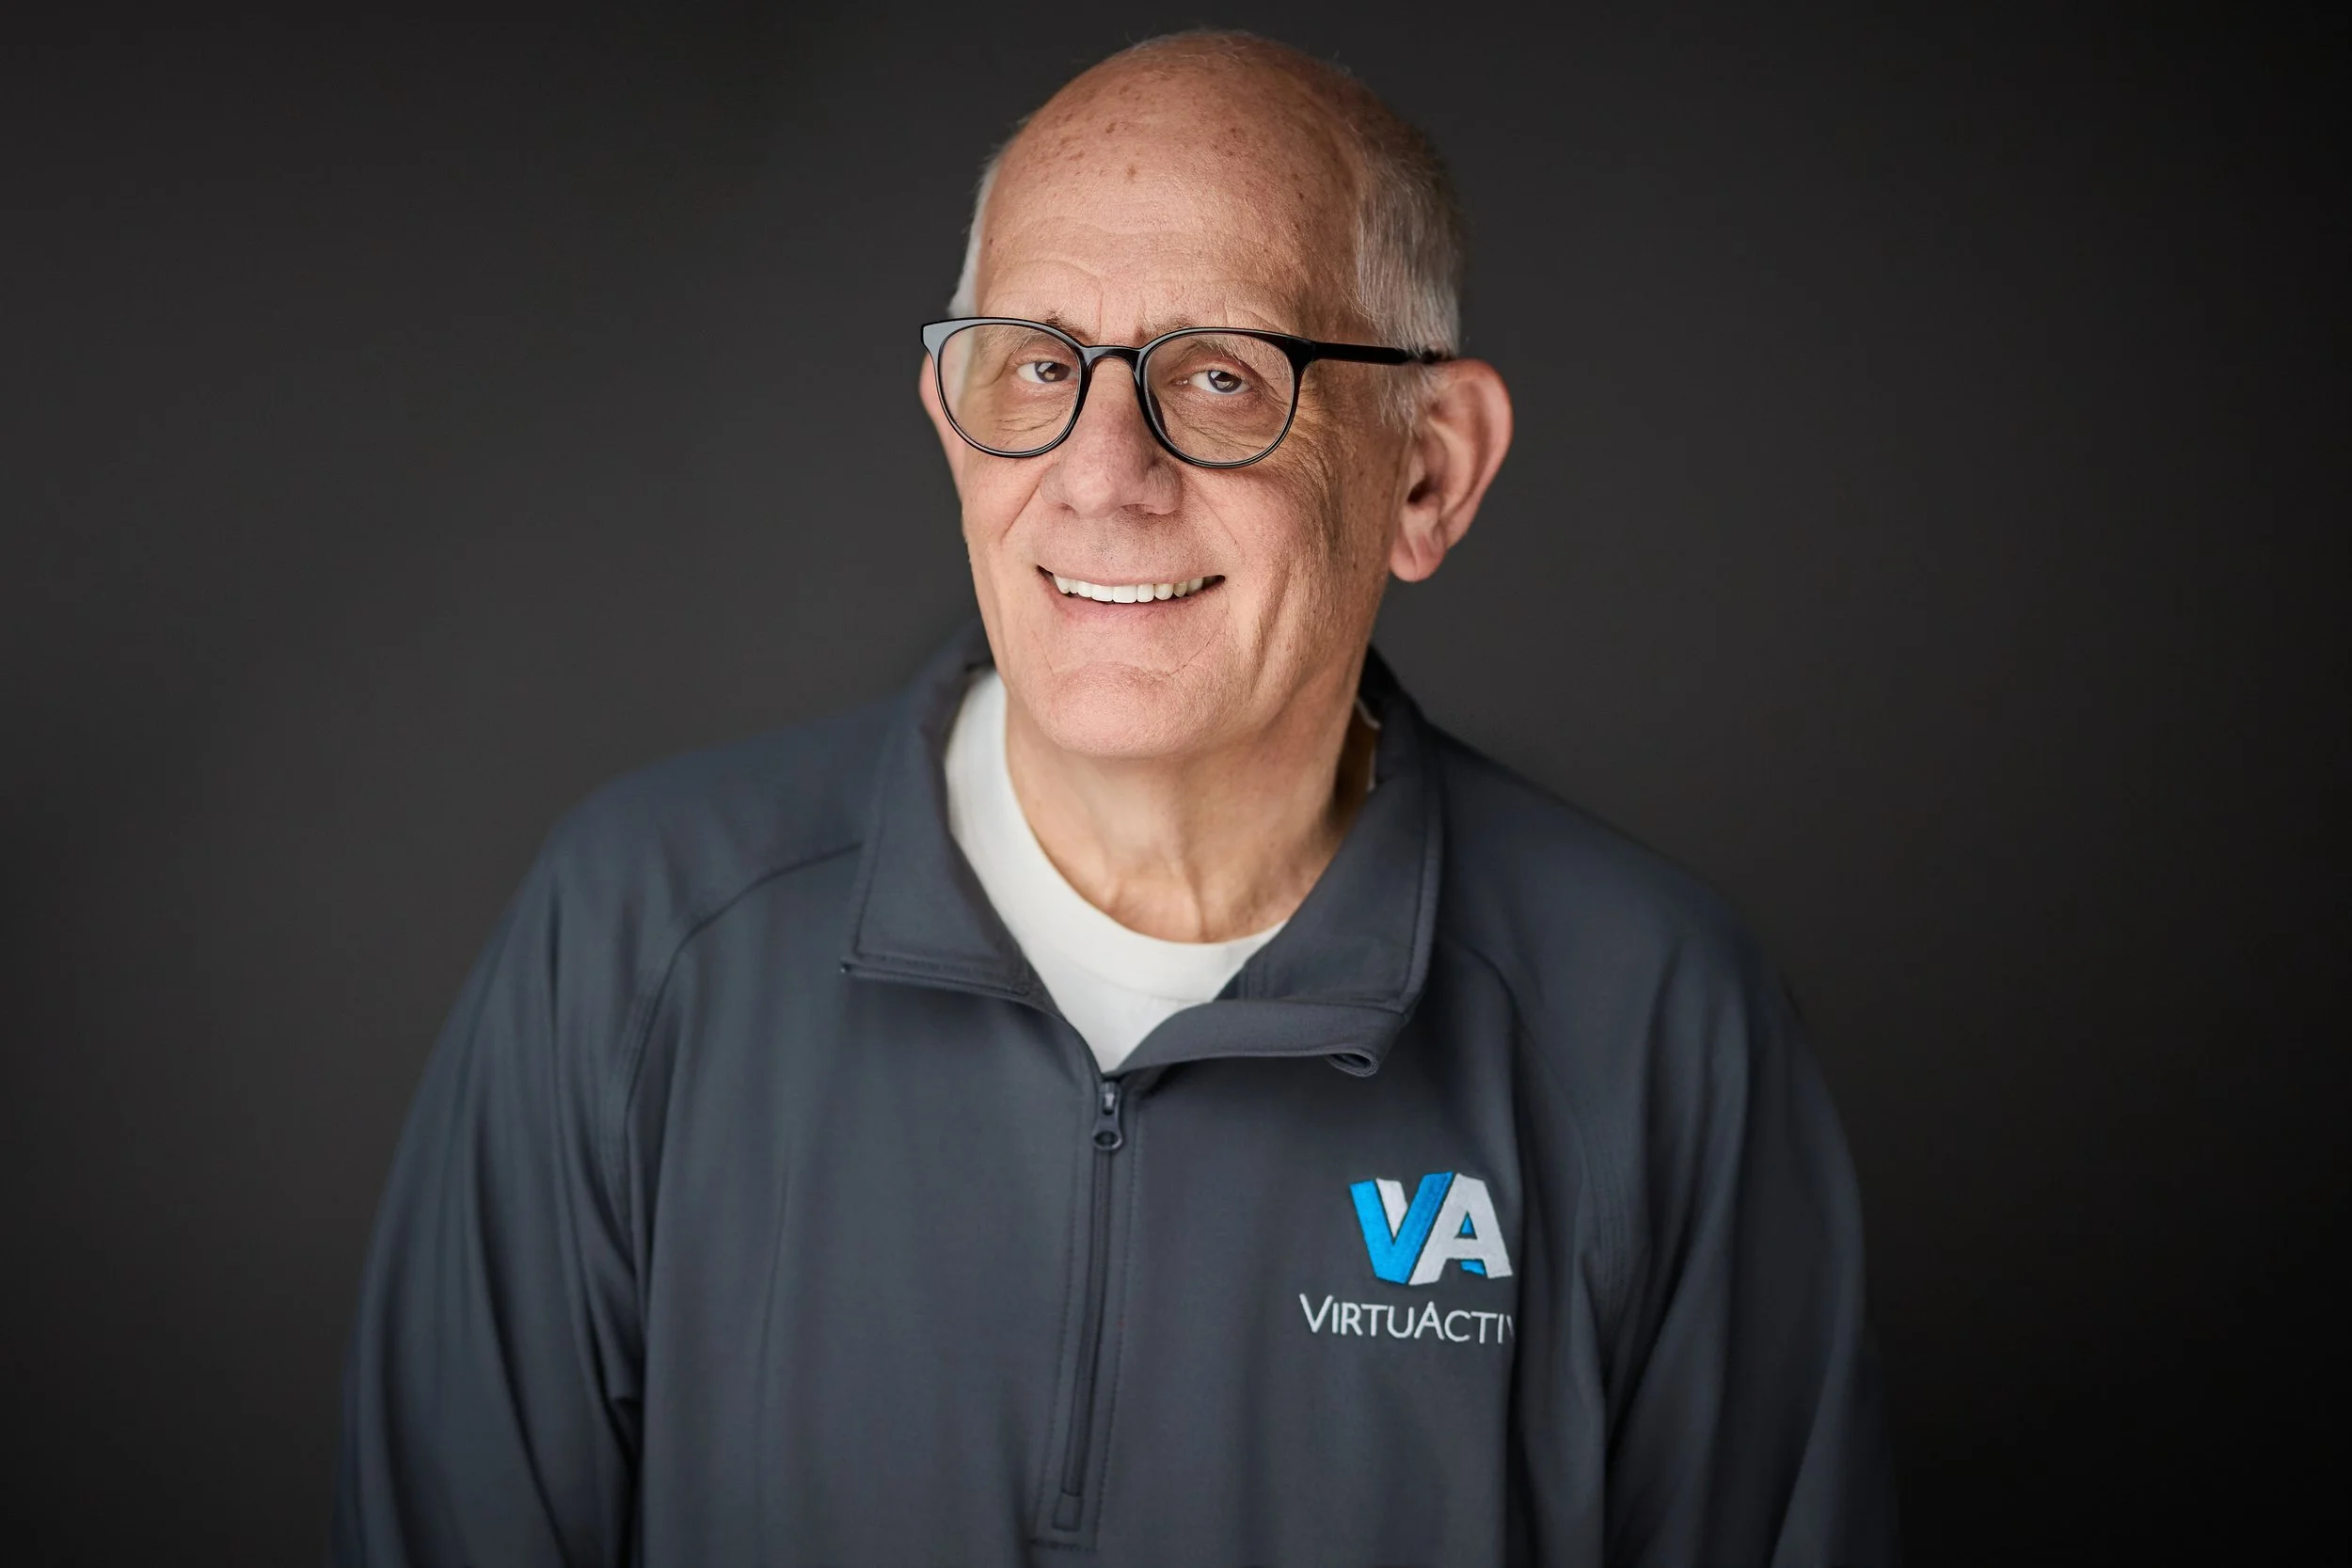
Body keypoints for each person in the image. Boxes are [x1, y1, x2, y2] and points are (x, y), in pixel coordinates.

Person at [333, 30, 1899, 1567]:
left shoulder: (1654, 1026)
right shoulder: (636, 938)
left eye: (1223, 375)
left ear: (1429, 470)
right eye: (1037, 365)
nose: (1101, 471)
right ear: (956, 422)